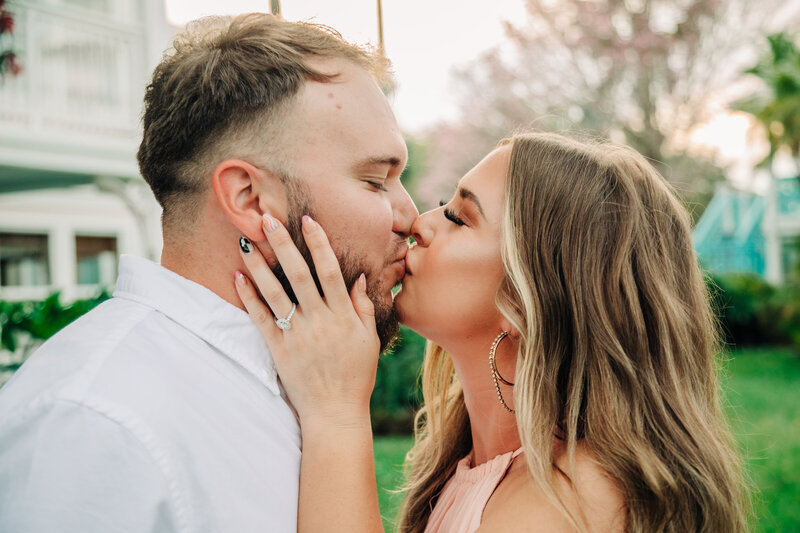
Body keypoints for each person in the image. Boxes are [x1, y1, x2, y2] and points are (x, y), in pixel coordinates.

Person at [0, 13, 416, 532]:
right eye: (376, 181)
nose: (411, 216)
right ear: (248, 197)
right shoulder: (94, 425)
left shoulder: (308, 377)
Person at [234, 131, 751, 532]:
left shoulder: (576, 503)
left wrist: (336, 413)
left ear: (531, 297)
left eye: (460, 217)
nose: (418, 222)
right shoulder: (478, 467)